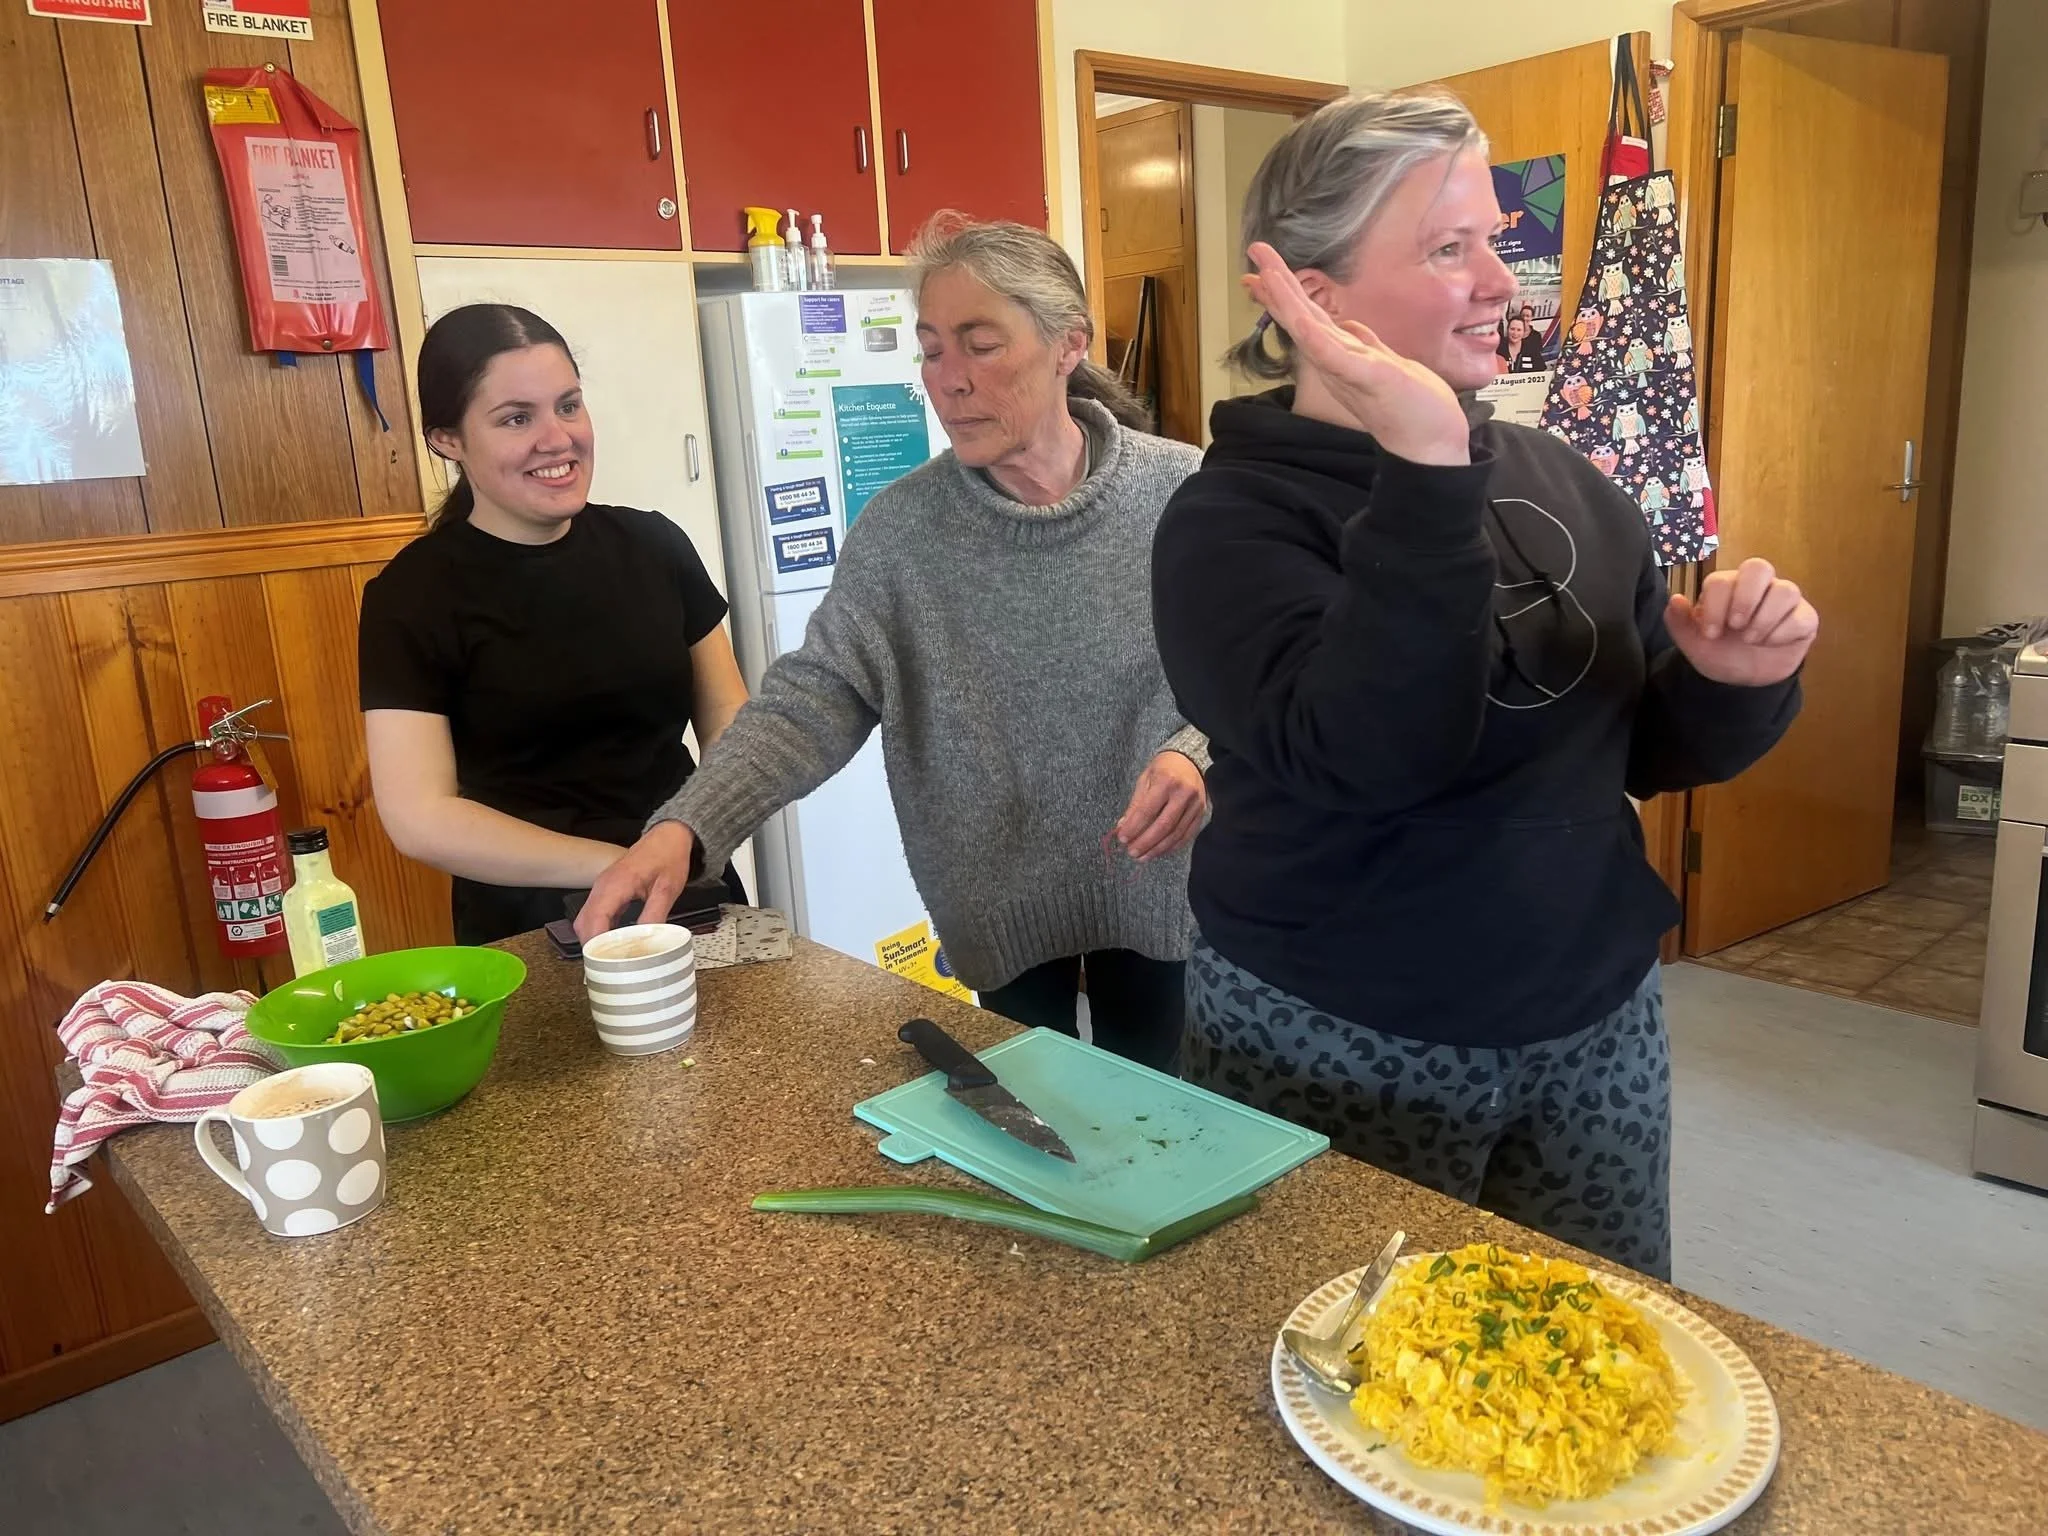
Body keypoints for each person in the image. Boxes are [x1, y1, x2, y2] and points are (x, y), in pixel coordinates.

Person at [1150, 93, 1817, 1279]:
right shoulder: (1228, 522)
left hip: (1592, 1018)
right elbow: (1371, 755)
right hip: (1338, 1035)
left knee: (1589, 1352)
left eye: (1494, 240)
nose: (1502, 281)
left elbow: (1637, 744)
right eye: (1448, 248)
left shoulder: (1556, 473)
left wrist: (1730, 681)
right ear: (1311, 291)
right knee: (1340, 1382)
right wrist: (1418, 468)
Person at [578, 217, 1208, 1070]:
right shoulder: (905, 531)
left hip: (1168, 885)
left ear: (1068, 345)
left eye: (980, 345)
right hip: (998, 899)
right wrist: (686, 828)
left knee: (1162, 1114)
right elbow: (813, 698)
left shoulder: (1183, 491)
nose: (948, 381)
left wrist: (1197, 752)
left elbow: (1258, 670)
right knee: (1033, 1114)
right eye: (931, 350)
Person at [358, 303, 750, 945]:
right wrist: (619, 864)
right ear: (447, 440)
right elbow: (419, 815)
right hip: (530, 923)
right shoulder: (411, 596)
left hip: (690, 891)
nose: (558, 438)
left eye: (568, 405)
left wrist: (696, 831)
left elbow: (729, 719)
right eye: (517, 418)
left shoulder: (655, 546)